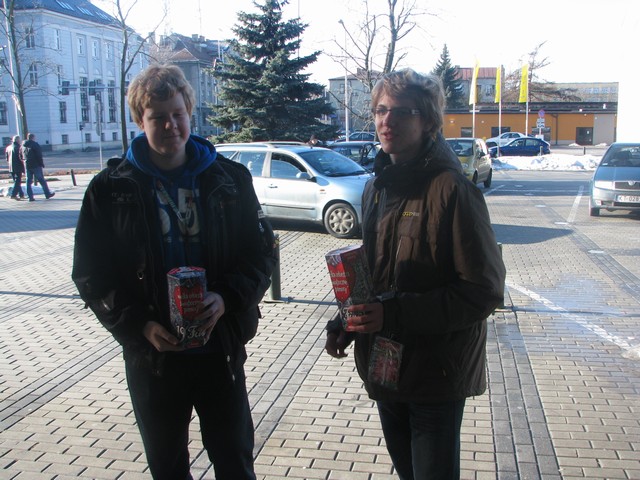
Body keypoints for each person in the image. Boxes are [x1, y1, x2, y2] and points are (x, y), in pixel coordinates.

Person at [72, 64, 277, 480]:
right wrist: (139, 325)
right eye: (158, 117)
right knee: (167, 469)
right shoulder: (110, 190)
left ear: (190, 113)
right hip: (155, 360)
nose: (170, 126)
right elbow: (91, 274)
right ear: (139, 120)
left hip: (218, 351)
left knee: (235, 463)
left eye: (178, 114)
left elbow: (260, 254)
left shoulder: (229, 180)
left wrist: (227, 298)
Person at [325, 69, 506, 480]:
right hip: (385, 365)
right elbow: (376, 275)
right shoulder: (377, 188)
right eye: (380, 110)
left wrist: (393, 313)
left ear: (428, 121)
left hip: (435, 373)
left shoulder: (453, 190)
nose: (386, 121)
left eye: (401, 112)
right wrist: (347, 321)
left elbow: (482, 291)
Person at [21, 133, 55, 201]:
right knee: (41, 180)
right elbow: (39, 155)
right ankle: (47, 194)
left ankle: (30, 197)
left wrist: (24, 161)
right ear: (33, 138)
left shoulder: (23, 145)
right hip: (36, 165)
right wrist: (41, 163)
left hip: (27, 165)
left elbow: (20, 155)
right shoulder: (35, 145)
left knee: (28, 181)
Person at [5, 135, 25, 200]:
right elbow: (21, 158)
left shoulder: (8, 147)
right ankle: (13, 194)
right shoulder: (19, 147)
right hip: (18, 166)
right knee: (18, 181)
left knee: (16, 182)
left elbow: (7, 158)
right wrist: (23, 167)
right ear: (18, 140)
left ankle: (21, 194)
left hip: (11, 166)